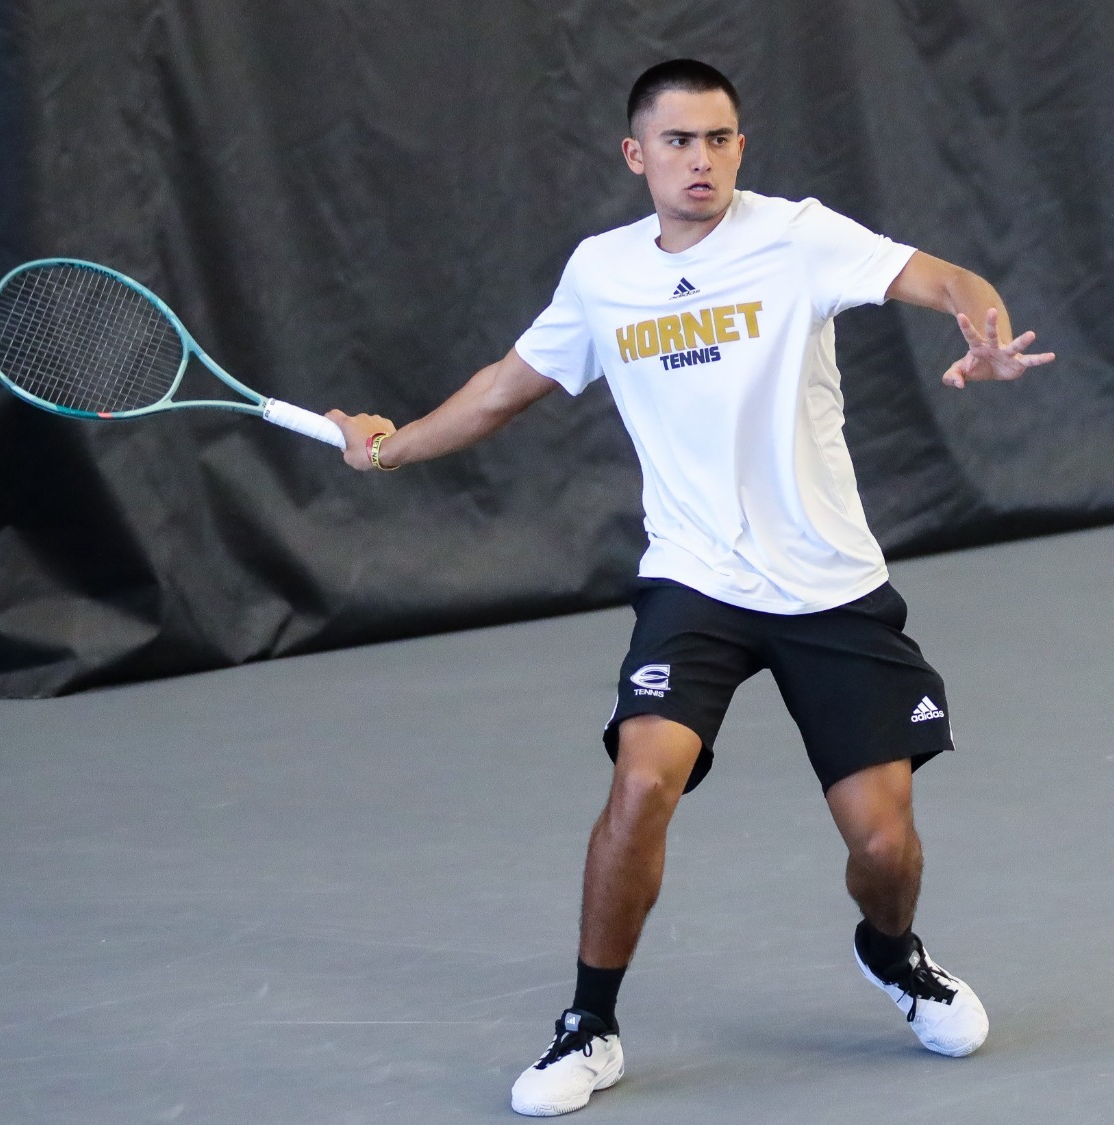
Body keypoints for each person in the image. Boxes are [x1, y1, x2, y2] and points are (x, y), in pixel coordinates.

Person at [327, 58, 1054, 1117]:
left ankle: (891, 954)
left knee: (885, 844)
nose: (698, 159)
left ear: (739, 150)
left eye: (717, 139)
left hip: (828, 586)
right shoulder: (600, 273)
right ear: (636, 156)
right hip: (694, 582)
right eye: (676, 142)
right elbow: (499, 392)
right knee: (640, 783)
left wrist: (981, 330)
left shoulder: (797, 237)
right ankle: (590, 1023)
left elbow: (943, 277)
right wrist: (390, 449)